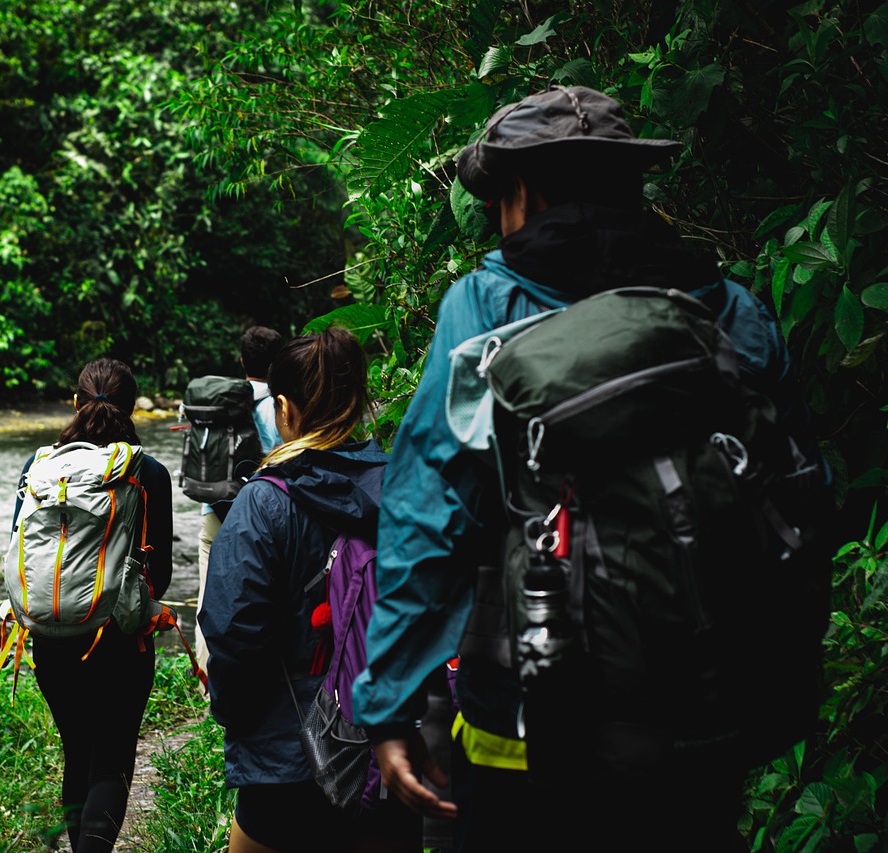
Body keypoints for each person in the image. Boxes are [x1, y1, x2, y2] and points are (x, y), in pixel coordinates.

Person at [350, 86, 826, 850]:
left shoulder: (486, 305)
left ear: (522, 192)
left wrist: (389, 703)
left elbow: (428, 513)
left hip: (528, 713)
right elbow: (800, 494)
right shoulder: (725, 307)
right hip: (701, 708)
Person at [198, 327, 420, 853]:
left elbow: (232, 631)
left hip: (286, 754)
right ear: (361, 399)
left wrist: (236, 715)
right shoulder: (409, 490)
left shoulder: (263, 502)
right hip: (388, 752)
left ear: (284, 409)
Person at [9, 357, 173, 852]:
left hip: (50, 638)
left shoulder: (37, 468)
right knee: (112, 759)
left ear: (76, 404)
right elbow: (159, 578)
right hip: (118, 641)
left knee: (77, 752)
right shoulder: (150, 473)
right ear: (133, 411)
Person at [193, 325, 285, 674]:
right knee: (260, 594)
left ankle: (207, 682)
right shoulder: (280, 406)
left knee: (207, 596)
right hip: (262, 513)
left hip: (213, 508)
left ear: (242, 359)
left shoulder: (219, 402)